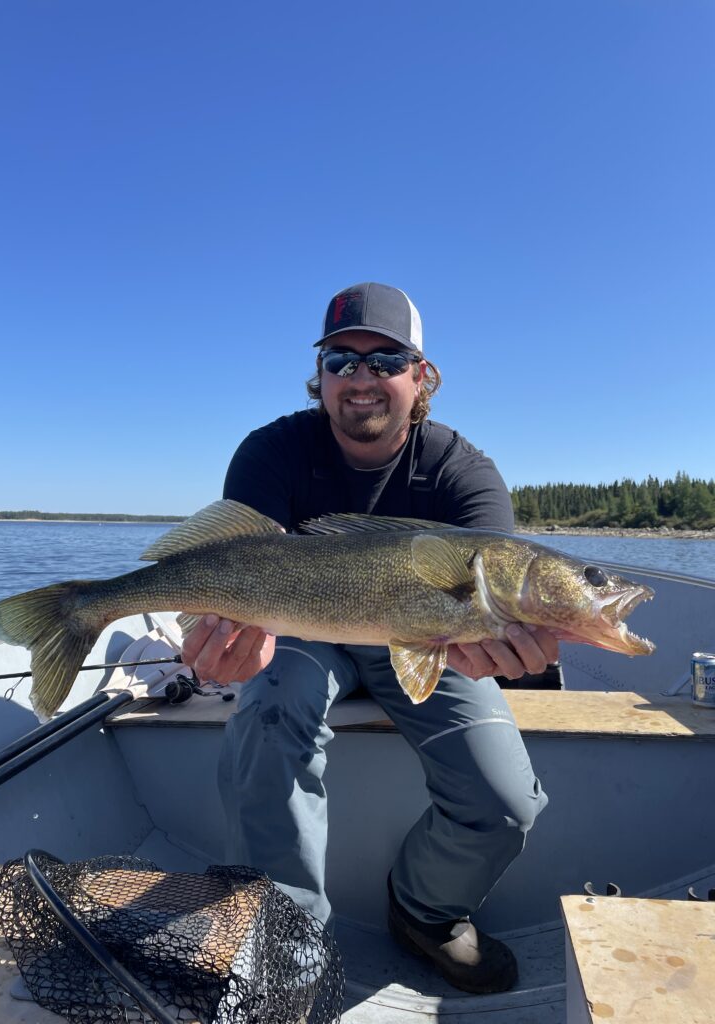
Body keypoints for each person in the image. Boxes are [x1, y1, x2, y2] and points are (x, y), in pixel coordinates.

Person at [182, 282, 557, 994]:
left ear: (423, 378)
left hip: (431, 643)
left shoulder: (464, 474)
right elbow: (234, 574)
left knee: (506, 802)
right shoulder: (270, 453)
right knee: (265, 716)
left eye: (385, 359)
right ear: (319, 378)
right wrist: (226, 640)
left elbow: (497, 596)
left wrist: (510, 644)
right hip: (302, 633)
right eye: (340, 362)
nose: (361, 379)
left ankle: (425, 909)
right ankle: (282, 944)